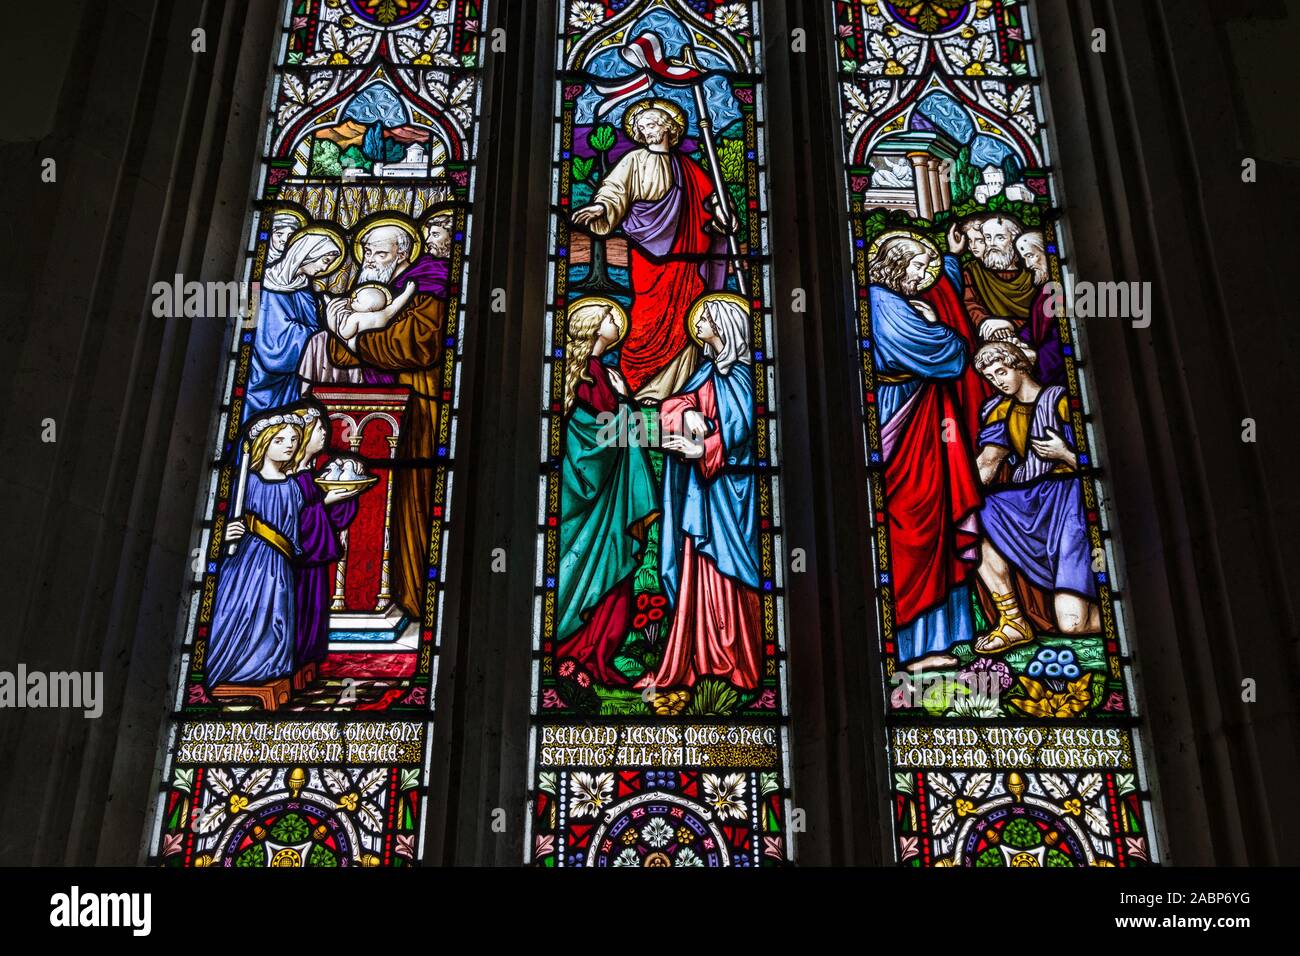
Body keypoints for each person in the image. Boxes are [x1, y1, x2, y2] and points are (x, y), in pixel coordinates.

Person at [321, 218, 451, 621]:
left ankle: (410, 597)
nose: (372, 260)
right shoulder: (366, 294)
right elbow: (337, 352)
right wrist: (351, 338)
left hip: (420, 410)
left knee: (410, 507)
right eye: (368, 252)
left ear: (403, 256)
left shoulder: (428, 284)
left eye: (382, 253)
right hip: (367, 413)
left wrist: (357, 340)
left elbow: (419, 343)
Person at [867, 233, 983, 670]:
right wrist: (940, 325)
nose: (922, 278)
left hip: (923, 422)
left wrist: (951, 262)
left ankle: (936, 642)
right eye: (918, 269)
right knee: (912, 526)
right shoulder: (883, 303)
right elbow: (945, 355)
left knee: (933, 526)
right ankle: (912, 645)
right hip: (904, 425)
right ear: (897, 264)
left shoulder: (896, 301)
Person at [636, 293, 761, 693]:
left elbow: (742, 435)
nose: (699, 325)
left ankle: (734, 658)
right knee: (694, 570)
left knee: (726, 571)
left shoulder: (743, 378)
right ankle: (694, 657)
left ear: (724, 327)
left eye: (706, 319)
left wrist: (702, 450)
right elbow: (674, 402)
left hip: (728, 493)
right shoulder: (705, 371)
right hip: (697, 495)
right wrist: (684, 412)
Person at [571, 99, 735, 402]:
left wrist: (723, 216)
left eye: (653, 123)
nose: (647, 130)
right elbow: (614, 190)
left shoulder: (688, 167)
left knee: (684, 323)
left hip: (686, 264)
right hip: (648, 262)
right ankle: (638, 386)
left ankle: (672, 392)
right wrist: (600, 207)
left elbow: (711, 205)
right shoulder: (633, 161)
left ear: (669, 128)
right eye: (642, 126)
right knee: (644, 323)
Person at [555, 299, 659, 684]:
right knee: (595, 566)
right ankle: (576, 654)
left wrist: (624, 404)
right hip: (590, 499)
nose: (620, 320)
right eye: (613, 316)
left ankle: (592, 654)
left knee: (606, 568)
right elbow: (595, 438)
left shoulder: (595, 373)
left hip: (603, 500)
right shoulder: (590, 375)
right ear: (596, 327)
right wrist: (627, 408)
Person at [971, 341, 1099, 653]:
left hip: (1067, 502)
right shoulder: (1000, 410)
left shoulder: (1061, 401)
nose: (997, 381)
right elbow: (988, 464)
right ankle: (1012, 619)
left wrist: (1064, 453)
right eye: (990, 377)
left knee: (1073, 626)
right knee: (972, 517)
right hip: (1028, 501)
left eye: (1001, 371)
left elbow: (1099, 461)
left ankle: (1110, 613)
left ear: (1020, 366)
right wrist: (950, 495)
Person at [207, 412, 306, 687]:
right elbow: (217, 521)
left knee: (275, 615)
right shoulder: (245, 482)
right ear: (264, 443)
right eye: (280, 439)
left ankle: (265, 667)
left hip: (278, 565)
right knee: (239, 610)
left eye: (294, 440)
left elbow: (297, 532)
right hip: (244, 563)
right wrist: (223, 535)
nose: (289, 445)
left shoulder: (292, 488)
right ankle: (229, 665)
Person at [285, 405, 363, 684]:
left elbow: (330, 518)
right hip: (291, 567)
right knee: (294, 609)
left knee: (312, 609)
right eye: (319, 429)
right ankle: (288, 663)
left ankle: (304, 664)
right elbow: (289, 522)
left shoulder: (313, 473)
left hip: (312, 565)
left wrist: (347, 491)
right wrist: (326, 502)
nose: (325, 433)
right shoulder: (288, 477)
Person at [244, 229, 344, 421]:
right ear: (307, 255)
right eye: (325, 261)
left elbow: (313, 329)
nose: (325, 268)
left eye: (330, 263)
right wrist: (324, 335)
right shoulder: (265, 285)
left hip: (293, 380)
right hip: (263, 378)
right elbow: (273, 343)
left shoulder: (304, 290)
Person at [948, 215, 1037, 342]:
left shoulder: (1034, 274)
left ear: (1015, 241)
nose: (992, 244)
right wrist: (986, 322)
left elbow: (1045, 319)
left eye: (1000, 238)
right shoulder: (972, 272)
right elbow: (970, 305)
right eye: (988, 238)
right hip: (987, 339)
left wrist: (1012, 324)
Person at [1013, 230, 1067, 386]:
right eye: (1024, 259)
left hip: (1056, 374)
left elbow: (1060, 334)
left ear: (1047, 251)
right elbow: (1036, 325)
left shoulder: (1062, 287)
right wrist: (1017, 340)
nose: (1028, 265)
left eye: (1030, 256)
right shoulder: (1046, 290)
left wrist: (1036, 358)